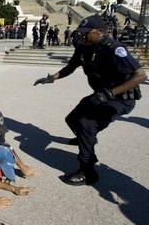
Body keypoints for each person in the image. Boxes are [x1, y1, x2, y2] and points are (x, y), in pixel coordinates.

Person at [34, 15, 147, 186]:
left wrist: (109, 94)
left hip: (120, 98)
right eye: (81, 32)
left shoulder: (113, 48)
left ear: (99, 32)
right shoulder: (83, 47)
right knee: (72, 119)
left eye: (87, 33)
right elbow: (70, 67)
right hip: (101, 95)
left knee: (86, 124)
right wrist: (52, 78)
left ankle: (88, 171)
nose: (82, 36)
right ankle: (86, 140)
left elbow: (140, 75)